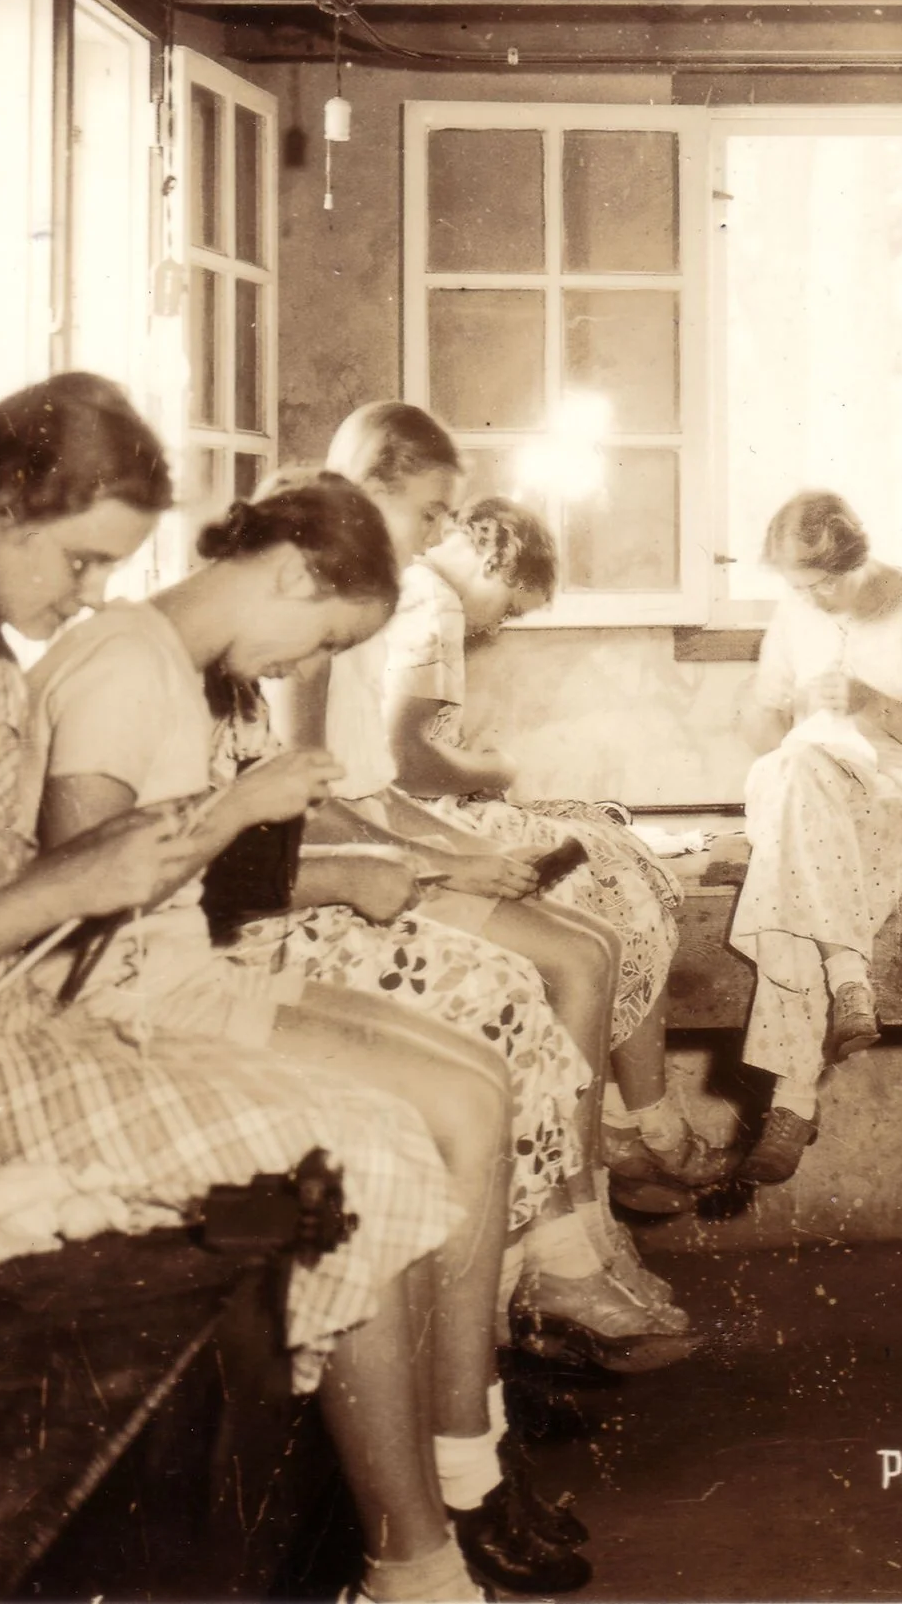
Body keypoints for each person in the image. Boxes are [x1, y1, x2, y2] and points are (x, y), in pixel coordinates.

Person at [0, 375, 510, 1602]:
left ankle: (414, 1550)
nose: (91, 593)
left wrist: (119, 874)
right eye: (84, 559)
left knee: (386, 1141)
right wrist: (67, 886)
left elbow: (26, 925)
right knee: (339, 1178)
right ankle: (418, 1570)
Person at [275, 405, 689, 1343]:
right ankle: (562, 1248)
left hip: (377, 845)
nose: (435, 538)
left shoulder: (371, 600)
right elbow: (312, 797)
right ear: (370, 482)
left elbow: (374, 783)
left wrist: (466, 851)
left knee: (594, 941)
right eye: (428, 512)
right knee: (571, 962)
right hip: (332, 877)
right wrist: (438, 853)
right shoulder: (319, 613)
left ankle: (582, 1225)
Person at [384, 496, 731, 1203]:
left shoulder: (415, 590)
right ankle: (640, 1123)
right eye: (509, 607)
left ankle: (626, 1123)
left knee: (611, 845)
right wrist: (495, 769)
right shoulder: (435, 602)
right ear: (492, 558)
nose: (498, 624)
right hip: (417, 822)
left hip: (412, 815)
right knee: (619, 865)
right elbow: (408, 759)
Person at [729, 491, 902, 1183]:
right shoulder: (793, 613)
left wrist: (874, 703)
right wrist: (761, 702)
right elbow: (767, 736)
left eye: (820, 584)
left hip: (900, 792)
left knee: (787, 839)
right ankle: (847, 980)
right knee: (793, 768)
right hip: (818, 796)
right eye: (797, 586)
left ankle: (794, 1096)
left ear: (852, 563)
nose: (810, 599)